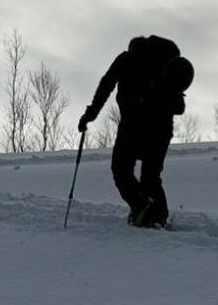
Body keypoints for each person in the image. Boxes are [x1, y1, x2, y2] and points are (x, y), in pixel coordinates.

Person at [78, 35, 194, 228]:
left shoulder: (126, 59)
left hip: (132, 126)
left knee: (121, 170)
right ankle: (158, 216)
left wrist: (90, 115)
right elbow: (178, 105)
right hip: (161, 129)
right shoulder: (166, 61)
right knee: (151, 178)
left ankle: (142, 207)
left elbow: (105, 86)